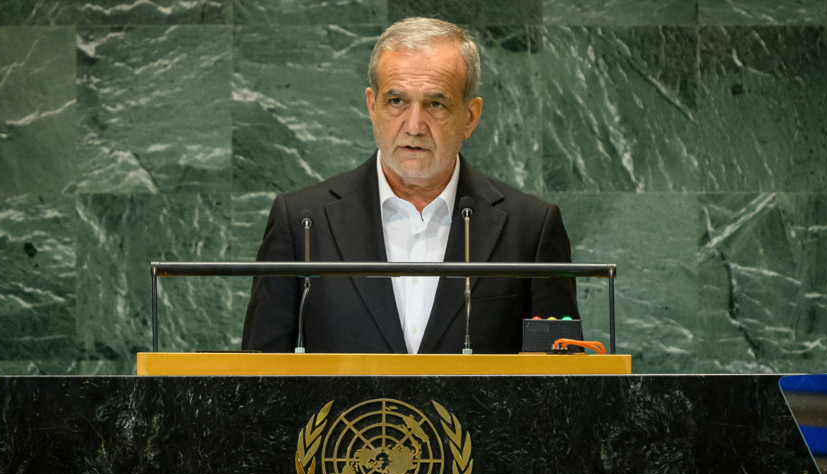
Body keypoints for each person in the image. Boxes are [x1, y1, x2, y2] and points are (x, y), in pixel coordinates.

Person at [242, 17, 579, 354]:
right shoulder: (302, 223)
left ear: (470, 117)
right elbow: (256, 381)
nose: (415, 126)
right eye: (397, 101)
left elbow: (561, 388)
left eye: (435, 104)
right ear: (372, 106)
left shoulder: (530, 229)